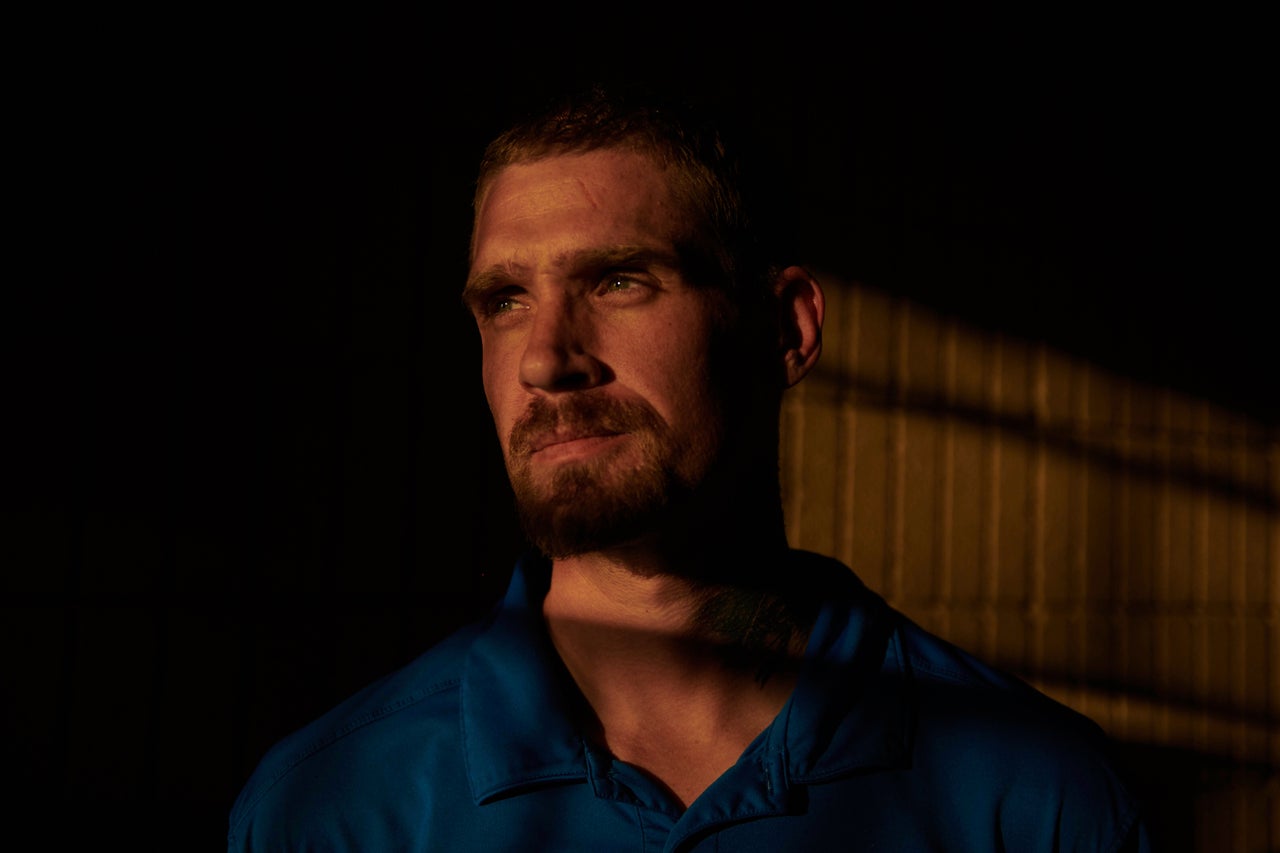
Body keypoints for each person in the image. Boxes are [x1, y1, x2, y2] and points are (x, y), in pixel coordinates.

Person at [227, 81, 1151, 851]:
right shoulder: (330, 808)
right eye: (506, 299)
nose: (547, 358)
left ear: (787, 328)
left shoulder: (1035, 797)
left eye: (620, 281)